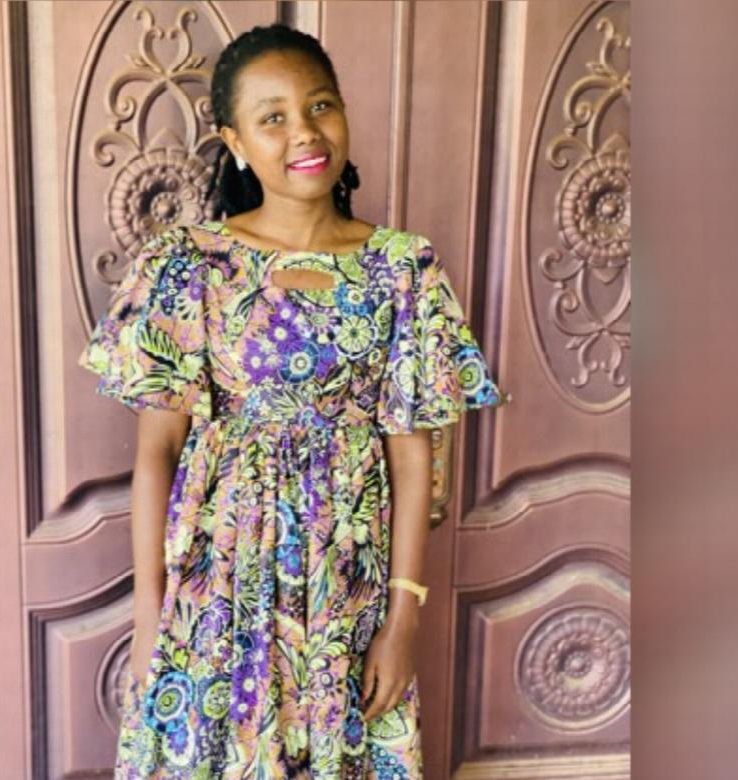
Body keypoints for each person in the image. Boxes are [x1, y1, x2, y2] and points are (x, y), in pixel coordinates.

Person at [79, 22, 506, 779]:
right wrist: (151, 616)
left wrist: (402, 616)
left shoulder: (402, 268)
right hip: (217, 581)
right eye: (272, 117)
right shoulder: (189, 265)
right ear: (236, 141)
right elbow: (157, 453)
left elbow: (414, 458)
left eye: (320, 106)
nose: (304, 132)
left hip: (346, 585)